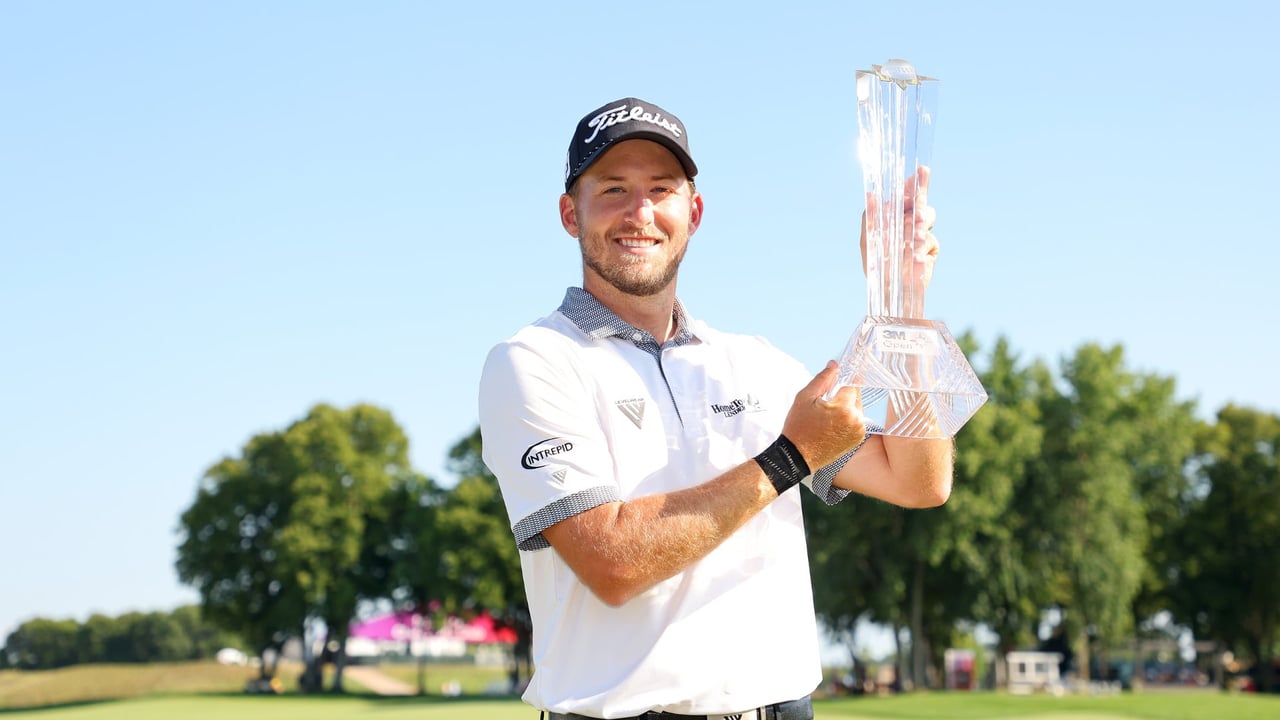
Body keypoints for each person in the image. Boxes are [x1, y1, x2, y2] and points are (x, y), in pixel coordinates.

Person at [478, 97, 953, 720]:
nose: (640, 212)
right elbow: (613, 562)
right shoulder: (533, 361)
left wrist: (902, 306)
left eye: (662, 189)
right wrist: (790, 458)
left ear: (693, 212)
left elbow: (918, 480)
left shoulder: (753, 361)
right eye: (614, 188)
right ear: (572, 213)